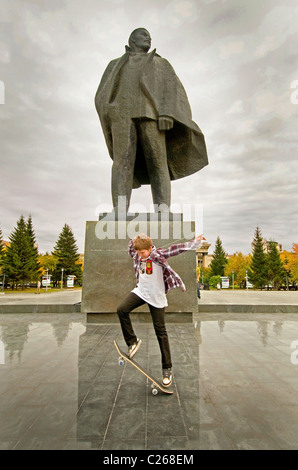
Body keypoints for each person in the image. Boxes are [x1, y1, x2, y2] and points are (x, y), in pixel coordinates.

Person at [95, 28, 208, 214]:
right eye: (143, 34)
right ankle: (119, 210)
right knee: (121, 163)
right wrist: (111, 110)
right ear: (132, 40)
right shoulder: (115, 64)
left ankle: (163, 210)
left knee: (157, 161)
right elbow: (102, 93)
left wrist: (167, 113)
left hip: (151, 116)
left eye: (149, 36)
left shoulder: (160, 63)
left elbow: (171, 88)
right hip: (121, 116)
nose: (148, 37)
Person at [117, 233, 206, 387]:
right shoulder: (137, 255)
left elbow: (177, 249)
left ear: (150, 248)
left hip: (156, 297)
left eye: (143, 252)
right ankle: (132, 341)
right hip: (141, 292)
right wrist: (136, 238)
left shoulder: (158, 255)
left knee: (160, 332)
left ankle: (167, 369)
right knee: (121, 310)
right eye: (139, 252)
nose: (141, 255)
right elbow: (131, 247)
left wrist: (195, 243)